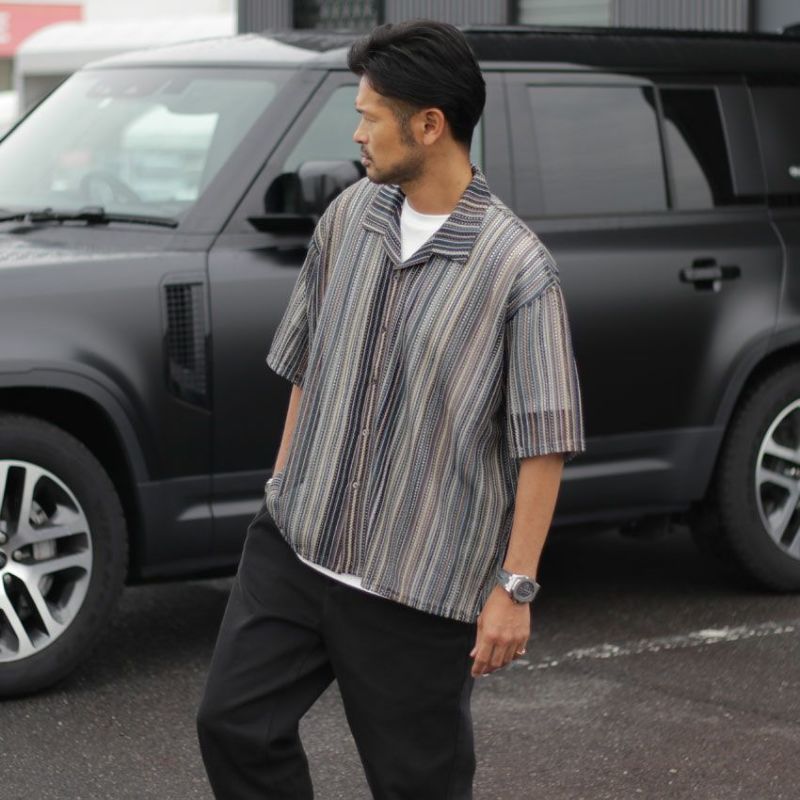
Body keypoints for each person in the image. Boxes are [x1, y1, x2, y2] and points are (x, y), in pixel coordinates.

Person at [196, 18, 586, 800]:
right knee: (233, 726)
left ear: (429, 125)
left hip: (415, 585)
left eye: (369, 116)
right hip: (297, 547)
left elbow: (543, 440)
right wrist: (281, 486)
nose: (357, 133)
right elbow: (305, 361)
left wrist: (514, 589)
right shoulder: (349, 217)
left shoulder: (517, 269)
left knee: (417, 786)